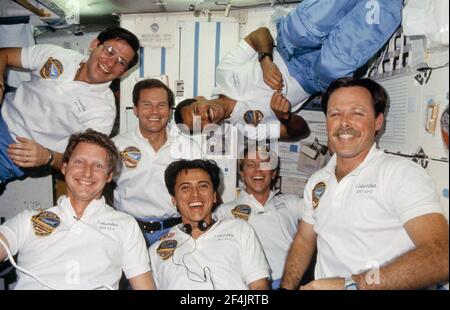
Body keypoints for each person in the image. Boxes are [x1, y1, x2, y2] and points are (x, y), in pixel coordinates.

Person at [280, 77, 449, 290]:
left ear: (378, 121)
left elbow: (441, 255)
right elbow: (304, 240)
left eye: (357, 113)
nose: (344, 123)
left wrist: (350, 286)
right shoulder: (317, 181)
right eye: (335, 114)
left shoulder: (400, 174)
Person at [174, 0, 403, 141]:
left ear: (199, 98)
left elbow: (260, 34)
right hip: (313, 78)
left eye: (196, 111)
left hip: (286, 47)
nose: (203, 117)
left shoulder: (224, 72)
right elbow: (300, 131)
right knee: (334, 64)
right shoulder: (249, 130)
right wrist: (284, 116)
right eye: (199, 125)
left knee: (301, 28)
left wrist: (265, 60)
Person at [0, 129, 155, 290]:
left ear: (109, 176)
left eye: (98, 165)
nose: (87, 172)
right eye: (79, 162)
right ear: (64, 168)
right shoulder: (28, 221)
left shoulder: (126, 226)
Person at [0, 26, 140, 185]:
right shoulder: (58, 55)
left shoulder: (103, 112)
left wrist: (48, 156)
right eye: (110, 51)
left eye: (121, 62)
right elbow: (4, 54)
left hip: (13, 152)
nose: (110, 63)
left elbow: (80, 162)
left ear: (122, 72)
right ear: (94, 44)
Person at [149, 159, 270, 290]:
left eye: (203, 186)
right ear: (174, 200)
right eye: (185, 188)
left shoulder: (240, 230)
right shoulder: (156, 250)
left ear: (214, 196)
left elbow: (259, 287)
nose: (195, 195)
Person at [113, 79, 201, 246]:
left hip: (177, 232)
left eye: (161, 105)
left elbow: (202, 193)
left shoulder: (189, 149)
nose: (155, 111)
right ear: (135, 110)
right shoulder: (116, 146)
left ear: (169, 110)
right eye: (147, 105)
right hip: (128, 232)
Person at [215, 146, 303, 289]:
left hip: (289, 284)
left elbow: (325, 215)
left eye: (265, 164)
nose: (258, 170)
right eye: (250, 165)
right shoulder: (224, 212)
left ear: (273, 173)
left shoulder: (291, 203)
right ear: (242, 174)